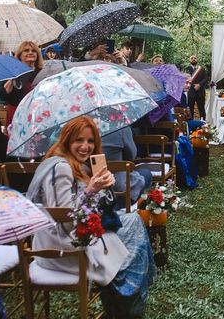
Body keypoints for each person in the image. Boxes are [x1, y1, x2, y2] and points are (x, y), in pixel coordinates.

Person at [26, 116, 155, 318]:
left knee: (133, 223)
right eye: (79, 140)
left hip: (66, 239)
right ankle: (124, 301)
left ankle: (121, 298)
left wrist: (106, 187)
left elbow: (96, 208)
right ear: (68, 140)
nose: (86, 147)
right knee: (134, 228)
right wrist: (91, 189)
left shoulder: (73, 164)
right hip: (63, 248)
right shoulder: (61, 167)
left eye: (91, 141)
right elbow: (66, 218)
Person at [102, 127, 152, 205]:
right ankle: (140, 208)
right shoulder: (120, 126)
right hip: (119, 188)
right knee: (146, 173)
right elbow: (132, 155)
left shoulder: (84, 128)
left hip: (90, 188)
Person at [0, 40, 43, 127]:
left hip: (38, 113)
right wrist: (6, 91)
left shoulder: (42, 72)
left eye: (33, 51)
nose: (30, 52)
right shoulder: (12, 73)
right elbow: (1, 96)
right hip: (17, 114)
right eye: (26, 50)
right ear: (19, 55)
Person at [184, 55, 208, 120]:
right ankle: (191, 124)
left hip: (200, 92)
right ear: (189, 60)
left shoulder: (202, 69)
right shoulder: (186, 69)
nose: (193, 59)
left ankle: (203, 124)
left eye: (195, 58)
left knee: (201, 109)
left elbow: (206, 78)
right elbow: (184, 80)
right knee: (190, 109)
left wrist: (199, 85)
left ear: (197, 59)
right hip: (190, 92)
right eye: (192, 58)